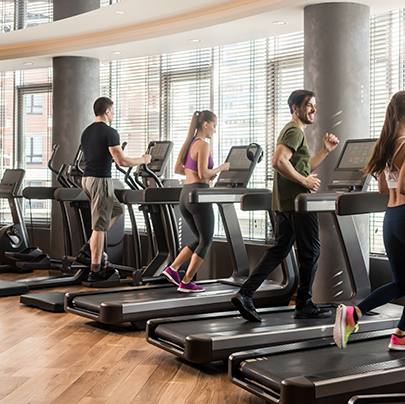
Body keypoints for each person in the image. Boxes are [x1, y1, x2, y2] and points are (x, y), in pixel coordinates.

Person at [334, 90, 405, 351]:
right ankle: (402, 334)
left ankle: (354, 314)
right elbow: (404, 186)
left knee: (402, 283)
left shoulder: (386, 145)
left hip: (391, 219)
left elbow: (384, 188)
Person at [232, 89, 339, 322]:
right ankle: (304, 304)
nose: (313, 109)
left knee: (279, 250)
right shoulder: (294, 130)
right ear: (296, 109)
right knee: (311, 252)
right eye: (309, 105)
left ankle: (245, 293)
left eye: (314, 106)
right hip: (298, 205)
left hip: (284, 204)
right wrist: (304, 182)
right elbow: (278, 162)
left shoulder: (294, 132)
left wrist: (324, 152)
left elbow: (300, 166)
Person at [80, 97, 151, 282]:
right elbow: (121, 161)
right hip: (100, 180)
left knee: (116, 210)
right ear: (107, 112)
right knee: (100, 226)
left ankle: (89, 248)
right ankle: (95, 271)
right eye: (113, 110)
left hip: (86, 179)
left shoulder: (87, 132)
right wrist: (143, 160)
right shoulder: (110, 132)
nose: (114, 114)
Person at [161, 110, 230, 292]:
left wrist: (202, 175)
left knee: (199, 238)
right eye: (214, 126)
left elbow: (179, 169)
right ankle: (186, 281)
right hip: (199, 196)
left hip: (185, 195)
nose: (214, 130)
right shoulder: (203, 145)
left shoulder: (189, 143)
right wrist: (221, 168)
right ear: (205, 124)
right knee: (206, 240)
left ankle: (173, 268)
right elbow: (203, 173)